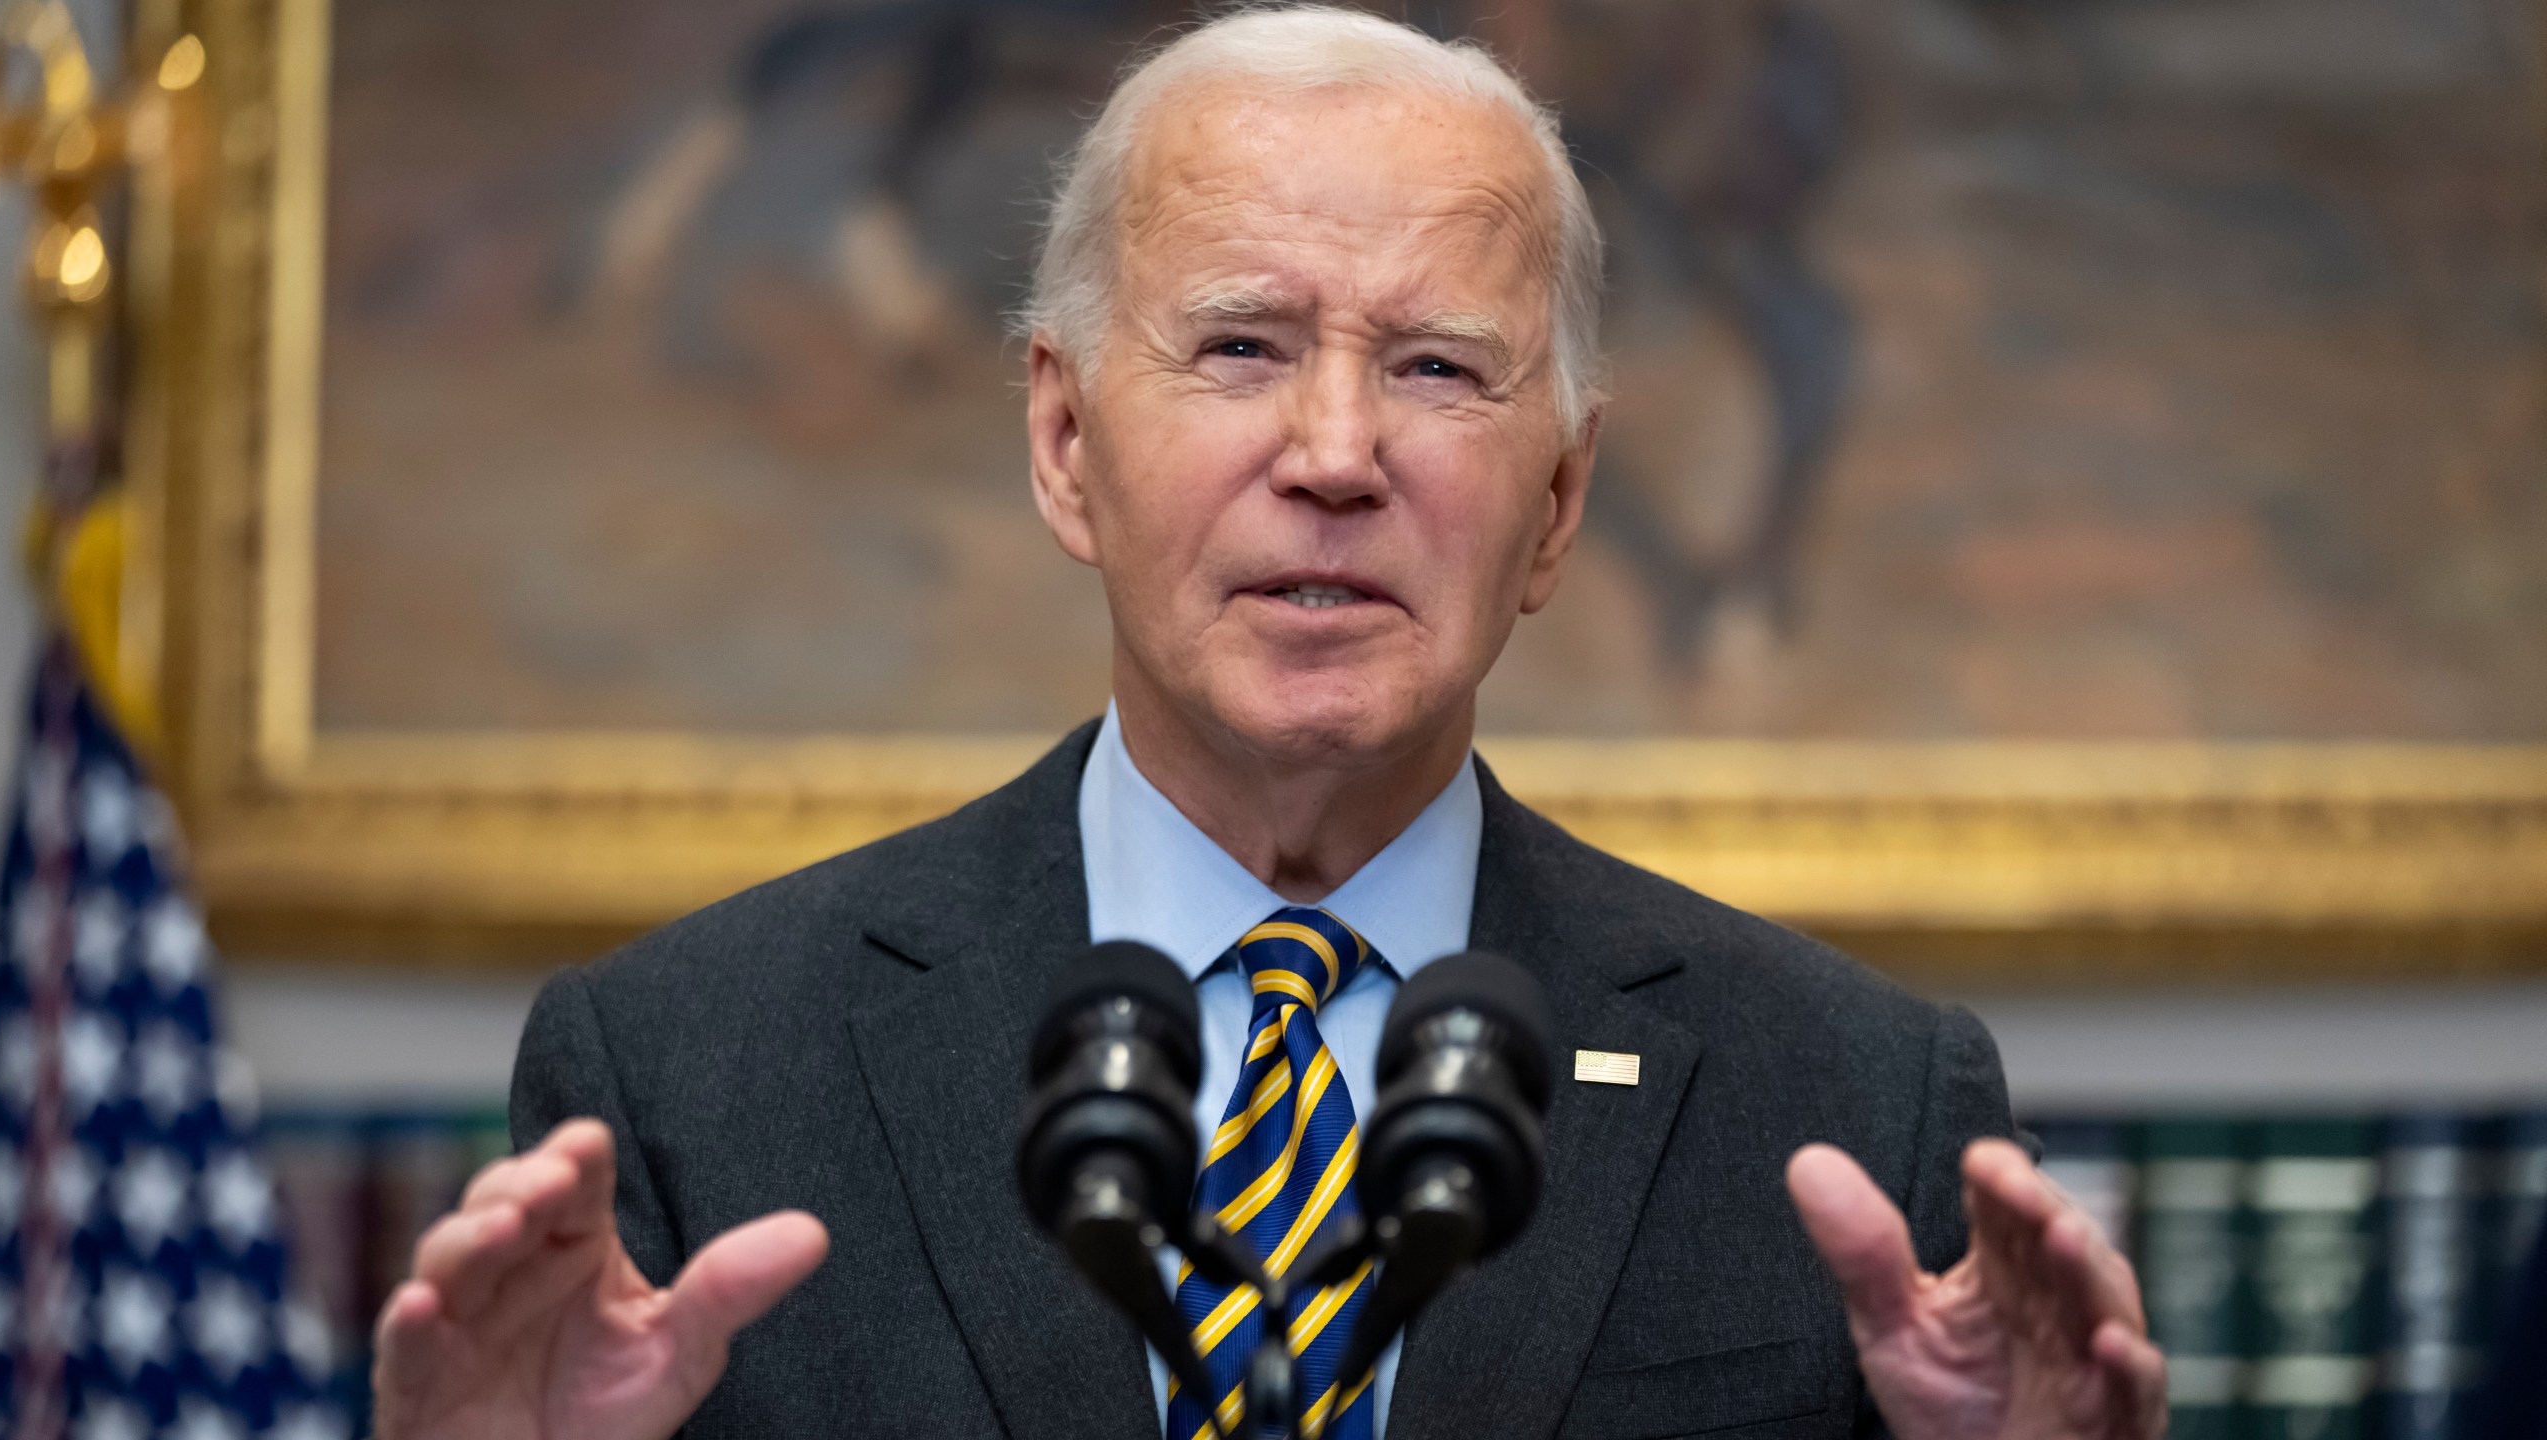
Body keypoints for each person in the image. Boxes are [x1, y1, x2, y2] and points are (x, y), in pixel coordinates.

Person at [369, 8, 2165, 1439]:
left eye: (1437, 367)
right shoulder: (686, 1073)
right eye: (1239, 346)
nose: (1333, 453)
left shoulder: (1851, 1104)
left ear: (1557, 505)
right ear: (1067, 444)